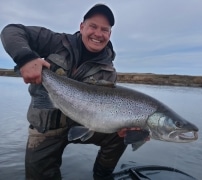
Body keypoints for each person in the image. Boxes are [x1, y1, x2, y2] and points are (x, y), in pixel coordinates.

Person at [1, 4, 131, 180]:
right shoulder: (55, 42)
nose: (98, 34)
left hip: (81, 123)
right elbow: (11, 31)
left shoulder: (108, 72)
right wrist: (26, 58)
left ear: (109, 34)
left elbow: (106, 111)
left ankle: (102, 176)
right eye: (93, 26)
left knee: (121, 136)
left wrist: (126, 126)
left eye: (105, 30)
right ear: (82, 27)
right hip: (47, 127)